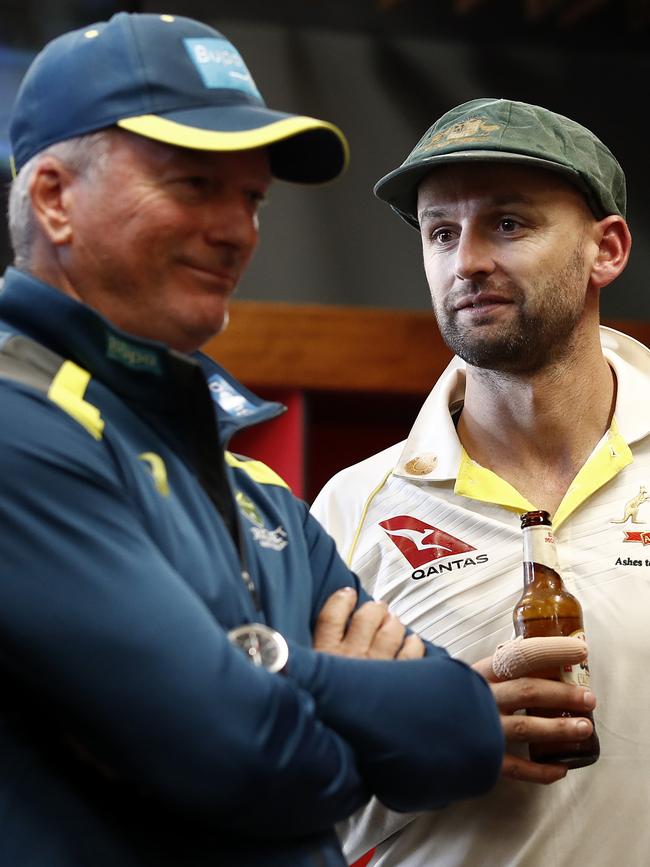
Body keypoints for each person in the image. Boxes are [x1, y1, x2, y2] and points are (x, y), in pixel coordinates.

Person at [0, 15, 509, 867]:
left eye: (252, 197)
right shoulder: (19, 425)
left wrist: (256, 665)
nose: (239, 230)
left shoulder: (246, 479)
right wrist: (347, 703)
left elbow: (462, 735)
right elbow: (241, 754)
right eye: (195, 184)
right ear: (54, 197)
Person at [312, 97, 650, 866]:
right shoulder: (349, 508)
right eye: (440, 231)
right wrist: (433, 735)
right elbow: (283, 797)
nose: (466, 260)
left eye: (508, 224)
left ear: (607, 249)